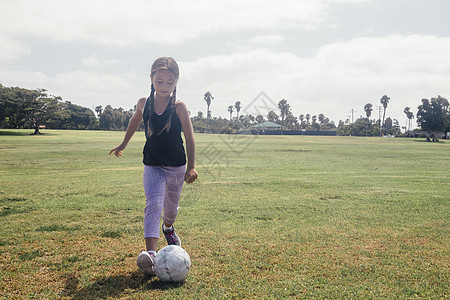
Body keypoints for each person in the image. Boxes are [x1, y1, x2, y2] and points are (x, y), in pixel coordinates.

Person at [109, 57, 198, 276]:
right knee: (153, 204)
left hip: (176, 166)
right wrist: (124, 143)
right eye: (159, 81)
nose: (164, 86)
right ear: (151, 79)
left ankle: (168, 228)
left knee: (169, 209)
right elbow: (134, 121)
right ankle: (150, 254)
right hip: (152, 164)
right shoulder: (144, 103)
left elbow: (189, 136)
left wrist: (192, 167)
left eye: (169, 82)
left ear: (176, 81)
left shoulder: (178, 106)